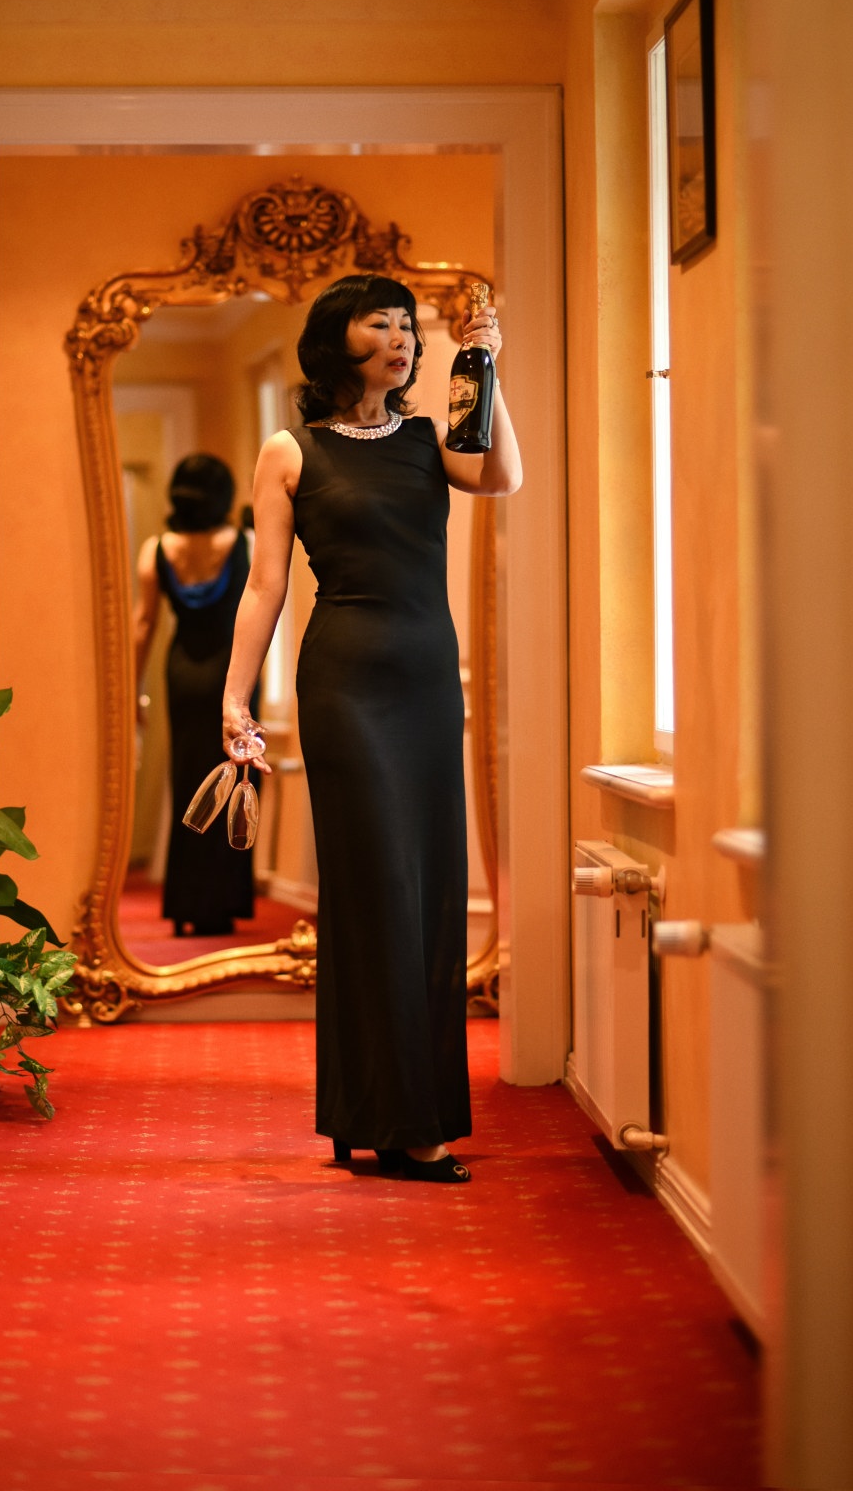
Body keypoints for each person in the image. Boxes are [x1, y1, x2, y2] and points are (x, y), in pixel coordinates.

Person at [222, 275, 521, 1182]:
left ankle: (388, 1114)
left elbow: (501, 475)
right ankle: (394, 1119)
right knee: (374, 890)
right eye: (378, 323)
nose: (399, 337)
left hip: (428, 681)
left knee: (426, 895)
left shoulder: (434, 439)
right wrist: (235, 702)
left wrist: (483, 363)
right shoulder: (290, 448)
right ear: (334, 339)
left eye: (407, 326)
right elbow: (265, 585)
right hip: (346, 683)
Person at [134, 453, 257, 937]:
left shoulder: (156, 548)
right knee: (237, 778)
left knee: (188, 781)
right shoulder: (243, 542)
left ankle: (185, 904)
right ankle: (222, 903)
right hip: (237, 675)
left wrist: (134, 689)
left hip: (182, 673)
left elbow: (144, 624)